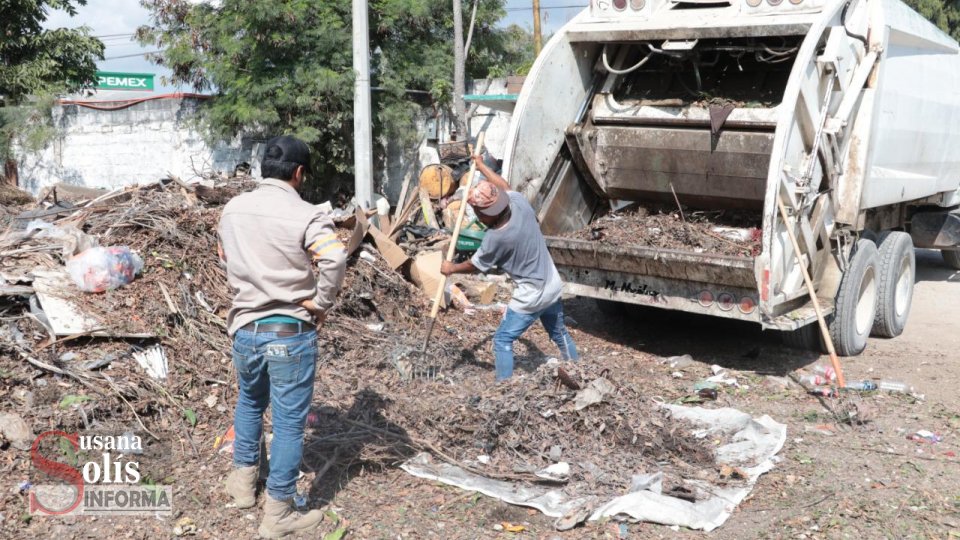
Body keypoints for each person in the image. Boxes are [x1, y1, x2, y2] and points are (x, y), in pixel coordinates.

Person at [217, 135, 347, 538]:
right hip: (289, 331)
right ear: (299, 173)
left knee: (250, 403)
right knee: (289, 424)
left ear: (263, 169)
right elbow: (335, 257)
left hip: (245, 329)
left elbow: (224, 255)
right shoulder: (306, 214)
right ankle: (278, 515)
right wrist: (321, 302)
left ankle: (242, 485)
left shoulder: (233, 209)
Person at [440, 155, 579, 380]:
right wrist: (482, 165)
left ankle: (503, 385)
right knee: (559, 332)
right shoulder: (518, 202)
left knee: (502, 340)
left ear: (482, 214)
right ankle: (577, 369)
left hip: (531, 296)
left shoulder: (496, 238)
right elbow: (504, 186)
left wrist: (451, 268)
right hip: (552, 283)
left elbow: (475, 265)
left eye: (475, 210)